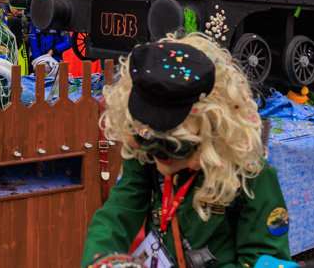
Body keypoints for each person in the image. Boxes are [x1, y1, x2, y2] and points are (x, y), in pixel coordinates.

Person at [82, 34, 292, 268]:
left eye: (176, 147)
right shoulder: (145, 151)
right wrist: (102, 261)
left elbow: (264, 258)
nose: (160, 159)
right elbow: (119, 211)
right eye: (146, 139)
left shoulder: (251, 174)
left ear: (214, 136)